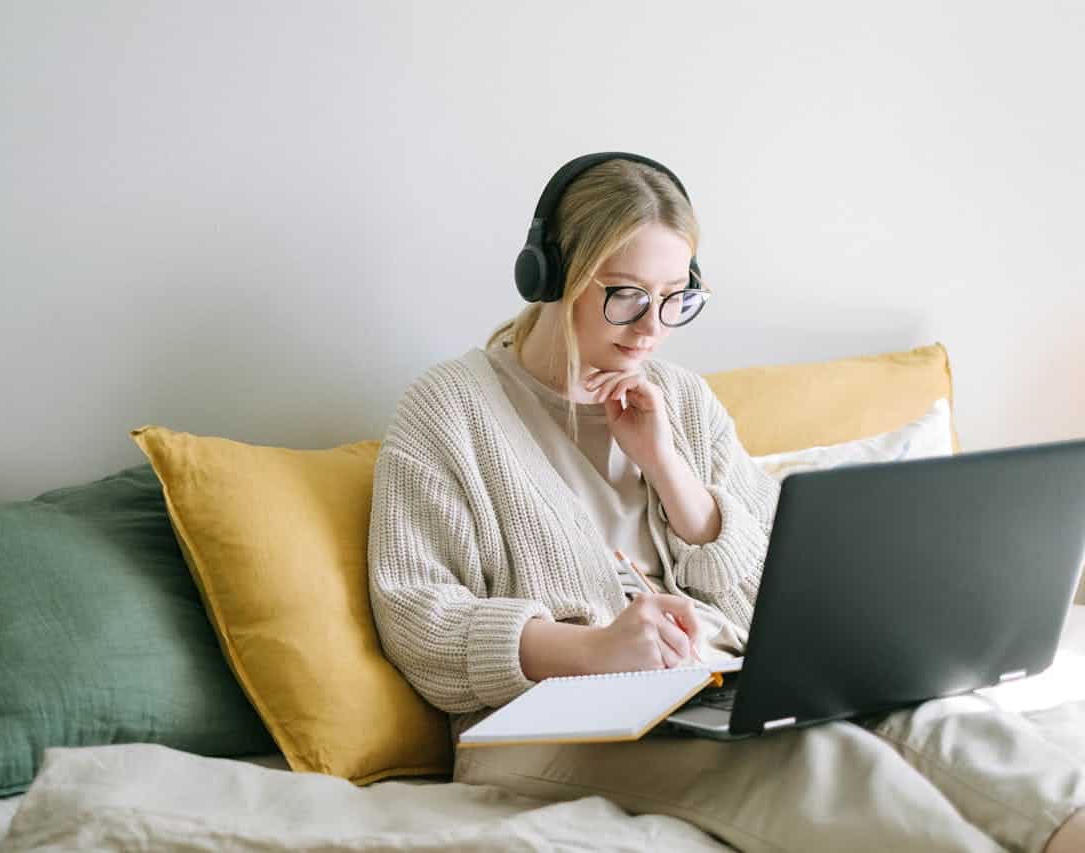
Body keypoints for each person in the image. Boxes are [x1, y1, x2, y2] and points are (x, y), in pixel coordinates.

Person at [366, 152, 1085, 852]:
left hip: (717, 686)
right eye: (625, 295)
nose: (652, 327)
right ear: (551, 277)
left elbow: (775, 583)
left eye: (675, 297)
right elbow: (419, 619)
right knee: (827, 766)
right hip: (542, 724)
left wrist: (668, 467)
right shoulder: (448, 410)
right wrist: (592, 649)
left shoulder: (678, 398)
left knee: (946, 721)